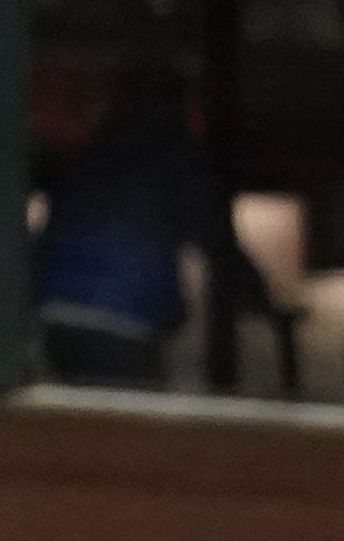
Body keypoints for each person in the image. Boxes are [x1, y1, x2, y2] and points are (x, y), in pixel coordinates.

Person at [36, 56, 268, 389]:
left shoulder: (95, 152)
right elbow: (213, 238)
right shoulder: (173, 157)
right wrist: (257, 294)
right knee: (132, 429)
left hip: (57, 311)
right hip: (126, 317)